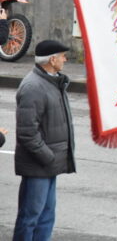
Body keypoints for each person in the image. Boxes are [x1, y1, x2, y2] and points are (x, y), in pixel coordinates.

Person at [13, 40, 75, 240]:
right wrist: (48, 157)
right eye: (62, 55)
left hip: (49, 164)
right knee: (30, 217)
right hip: (38, 165)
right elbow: (27, 133)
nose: (65, 59)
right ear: (52, 59)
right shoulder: (33, 87)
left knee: (46, 217)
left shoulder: (53, 82)